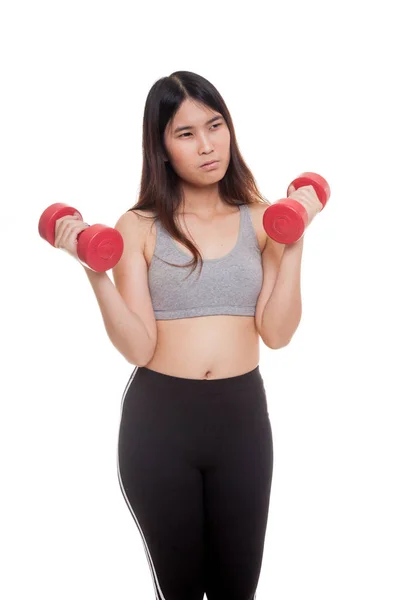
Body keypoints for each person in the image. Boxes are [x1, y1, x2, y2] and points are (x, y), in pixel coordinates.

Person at [54, 71, 322, 600]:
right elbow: (138, 347)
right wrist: (93, 270)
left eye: (215, 125)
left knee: (236, 590)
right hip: (161, 426)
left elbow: (277, 333)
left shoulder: (265, 220)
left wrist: (295, 239)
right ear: (161, 147)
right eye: (185, 133)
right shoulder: (138, 226)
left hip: (241, 422)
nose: (206, 145)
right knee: (179, 590)